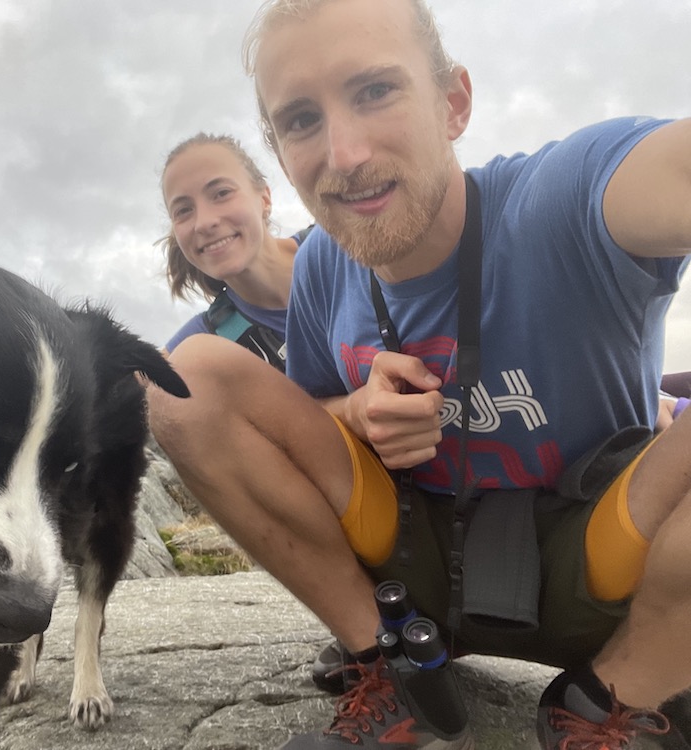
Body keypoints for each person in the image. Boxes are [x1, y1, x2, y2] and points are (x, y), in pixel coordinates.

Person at [147, 1, 691, 749]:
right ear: (278, 148)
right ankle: (394, 666)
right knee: (188, 378)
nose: (344, 152)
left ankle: (617, 696)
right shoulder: (322, 273)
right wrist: (357, 408)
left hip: (602, 555)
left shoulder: (562, 198)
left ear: (454, 102)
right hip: (414, 568)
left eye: (375, 90)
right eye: (302, 119)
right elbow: (301, 428)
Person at [160, 132, 310, 369]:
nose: (204, 223)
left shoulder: (343, 250)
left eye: (221, 193)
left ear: (265, 199)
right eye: (183, 210)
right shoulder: (207, 340)